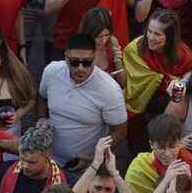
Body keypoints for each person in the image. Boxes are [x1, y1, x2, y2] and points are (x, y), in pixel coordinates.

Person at [38, 33, 127, 166]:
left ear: (94, 58)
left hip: (83, 167)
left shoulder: (109, 89)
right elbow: (41, 96)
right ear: (66, 57)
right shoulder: (51, 71)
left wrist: (95, 158)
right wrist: (42, 117)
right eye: (74, 62)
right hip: (47, 160)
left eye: (86, 63)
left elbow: (120, 132)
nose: (80, 68)